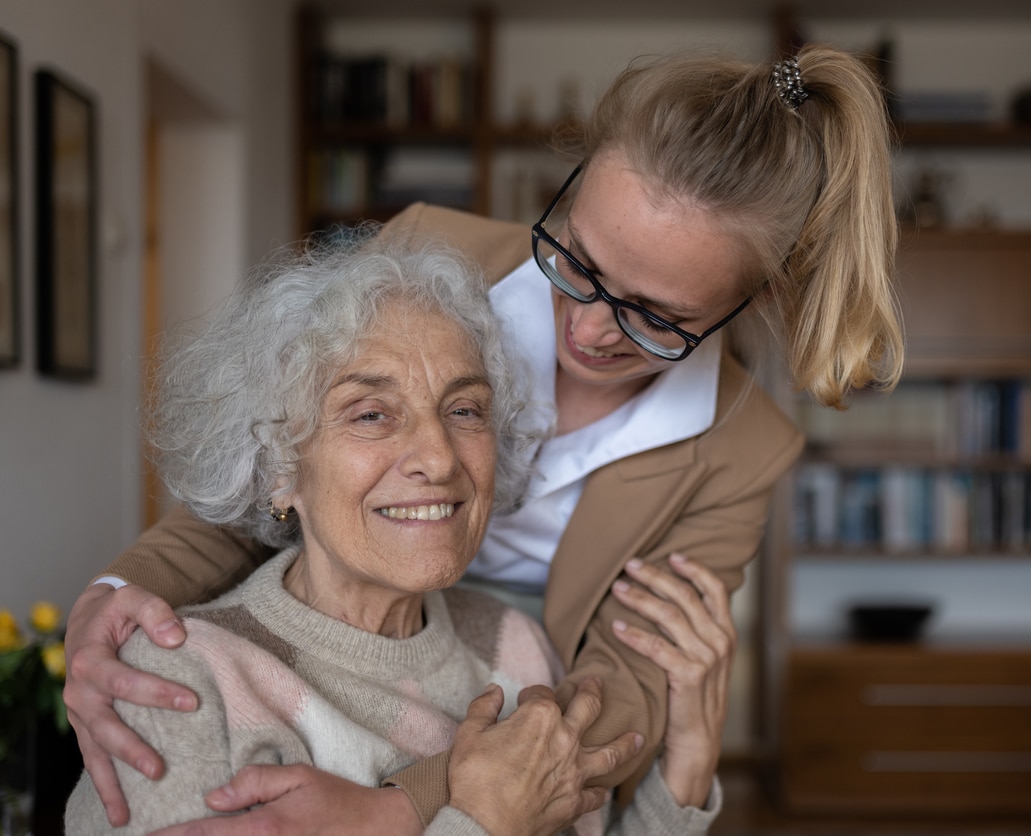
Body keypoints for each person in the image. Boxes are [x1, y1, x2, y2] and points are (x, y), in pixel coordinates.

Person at [64, 42, 903, 831]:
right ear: (572, 191)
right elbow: (275, 453)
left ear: (744, 305)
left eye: (654, 318)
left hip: (522, 685)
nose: (589, 329)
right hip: (331, 612)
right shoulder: (429, 249)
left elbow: (631, 685)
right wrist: (115, 594)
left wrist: (407, 805)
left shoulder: (738, 446)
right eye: (579, 260)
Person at [64, 237, 735, 835]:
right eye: (372, 413)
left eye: (464, 409)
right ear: (278, 467)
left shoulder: (515, 652)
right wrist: (481, 820)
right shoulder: (180, 680)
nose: (440, 458)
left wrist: (689, 764)